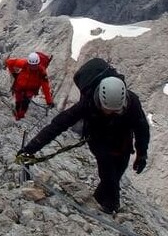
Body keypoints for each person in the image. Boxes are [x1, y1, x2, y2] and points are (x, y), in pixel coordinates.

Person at [17, 58, 149, 214]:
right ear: (99, 100)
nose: (112, 114)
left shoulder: (132, 102)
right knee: (107, 170)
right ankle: (110, 207)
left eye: (116, 111)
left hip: (122, 141)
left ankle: (99, 200)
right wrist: (30, 148)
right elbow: (58, 125)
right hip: (98, 138)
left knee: (117, 172)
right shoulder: (87, 103)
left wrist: (142, 154)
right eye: (108, 110)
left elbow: (142, 128)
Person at [5, 52, 54, 120]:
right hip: (19, 87)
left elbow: (45, 87)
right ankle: (17, 115)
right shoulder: (25, 64)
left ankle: (20, 117)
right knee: (18, 102)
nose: (33, 67)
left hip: (30, 90)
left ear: (38, 64)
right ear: (29, 63)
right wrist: (13, 73)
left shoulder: (41, 71)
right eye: (31, 65)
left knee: (25, 103)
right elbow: (9, 62)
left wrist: (49, 101)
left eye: (35, 65)